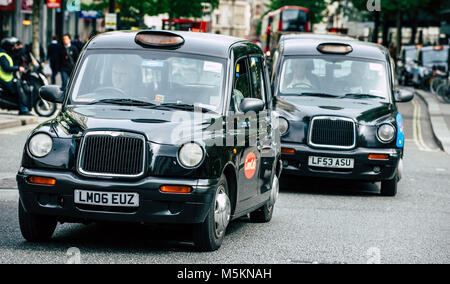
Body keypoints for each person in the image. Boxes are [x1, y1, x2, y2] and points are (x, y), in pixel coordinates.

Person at [0, 37, 30, 115]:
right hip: (5, 79)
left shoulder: (6, 54)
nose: (14, 48)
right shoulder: (2, 56)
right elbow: (6, 68)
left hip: (8, 78)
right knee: (19, 90)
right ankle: (23, 109)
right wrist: (18, 68)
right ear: (8, 47)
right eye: (12, 46)